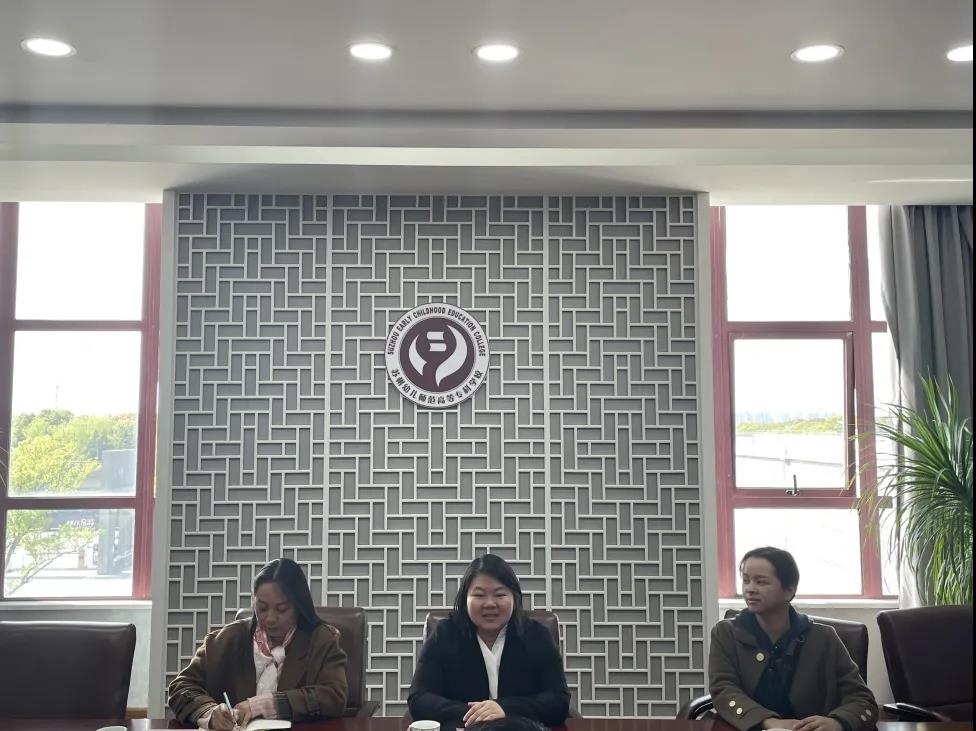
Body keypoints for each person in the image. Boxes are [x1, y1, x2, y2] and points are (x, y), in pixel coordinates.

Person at [709, 547, 878, 731]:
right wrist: (769, 722)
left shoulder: (824, 638)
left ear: (789, 590)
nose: (750, 589)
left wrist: (837, 722)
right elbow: (724, 690)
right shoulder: (726, 633)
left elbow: (862, 700)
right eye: (746, 580)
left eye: (761, 582)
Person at [169, 557, 348, 729]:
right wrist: (209, 712)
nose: (270, 618)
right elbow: (181, 687)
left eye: (281, 609)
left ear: (299, 606)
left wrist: (263, 705)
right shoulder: (227, 639)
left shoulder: (321, 640)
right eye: (262, 608)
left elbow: (334, 696)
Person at [408, 553, 571, 728]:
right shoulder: (444, 634)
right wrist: (476, 714)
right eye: (479, 595)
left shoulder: (537, 636)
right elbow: (419, 698)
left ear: (514, 598)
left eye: (500, 595)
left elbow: (558, 700)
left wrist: (505, 708)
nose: (490, 604)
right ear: (465, 599)